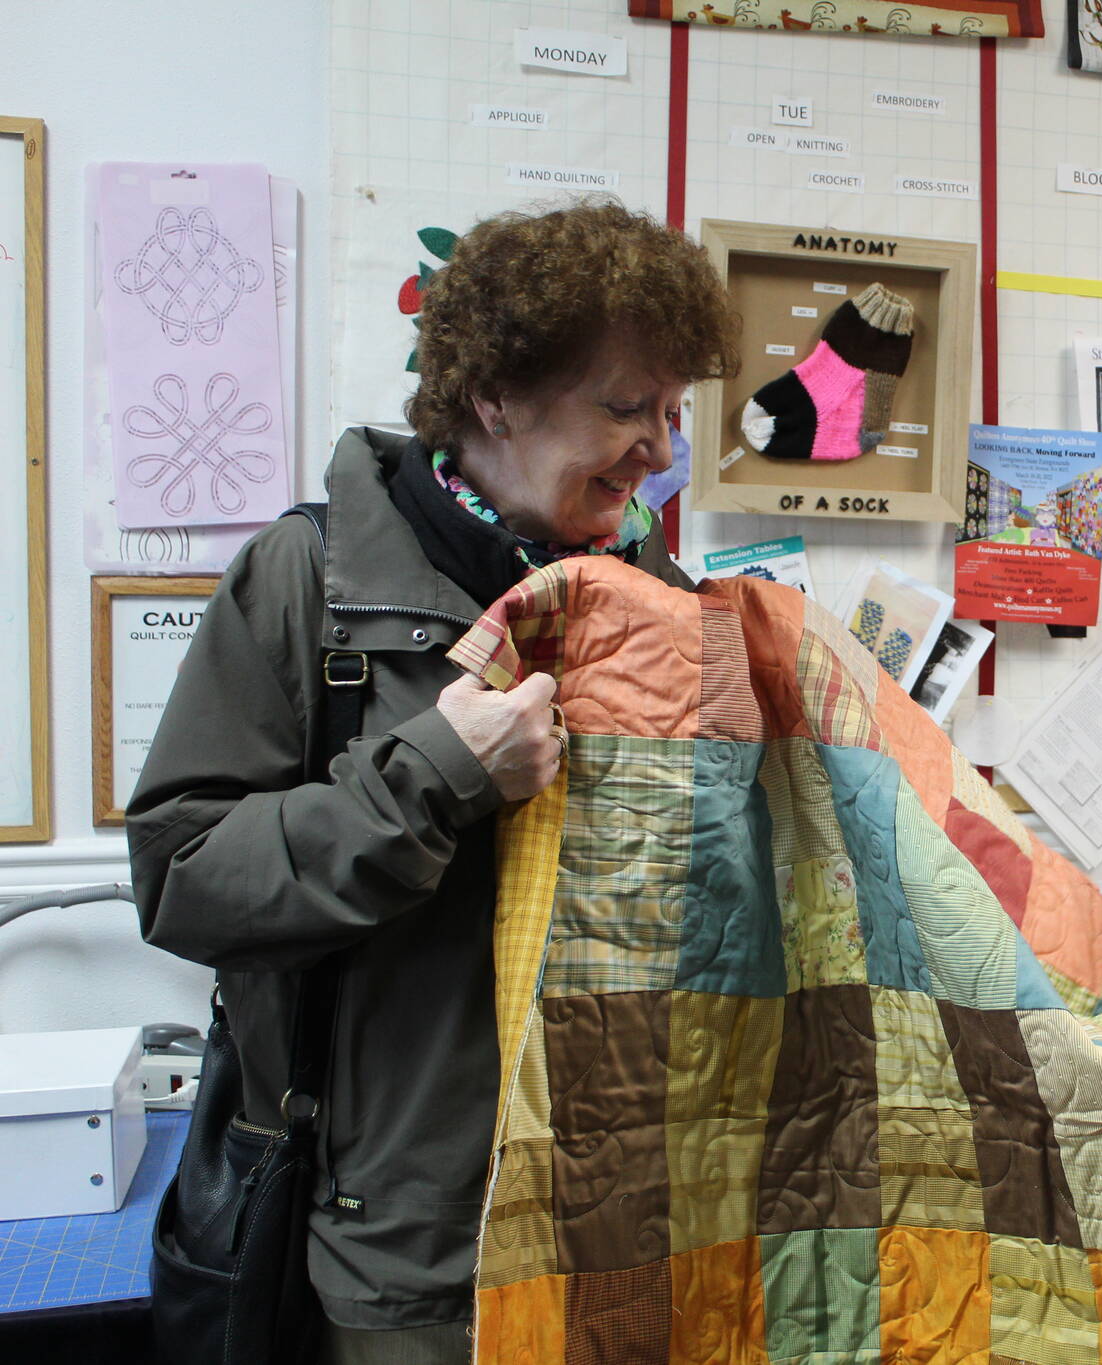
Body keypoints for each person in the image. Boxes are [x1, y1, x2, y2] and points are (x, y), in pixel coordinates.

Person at [127, 198, 739, 1363]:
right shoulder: (310, 583)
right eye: (623, 407)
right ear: (492, 396)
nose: (660, 452)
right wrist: (431, 777)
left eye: (671, 412)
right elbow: (184, 880)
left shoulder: (663, 600)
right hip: (408, 1254)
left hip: (629, 1226)